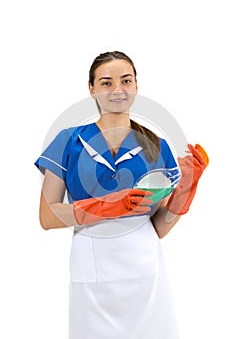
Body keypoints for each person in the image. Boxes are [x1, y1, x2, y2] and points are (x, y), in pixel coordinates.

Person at [35, 51, 209, 339]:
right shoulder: (68, 141)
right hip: (93, 270)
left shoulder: (157, 146)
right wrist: (109, 205)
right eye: (106, 82)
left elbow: (161, 226)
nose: (117, 89)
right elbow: (47, 216)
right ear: (91, 89)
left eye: (126, 80)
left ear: (136, 86)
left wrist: (188, 187)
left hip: (146, 273)